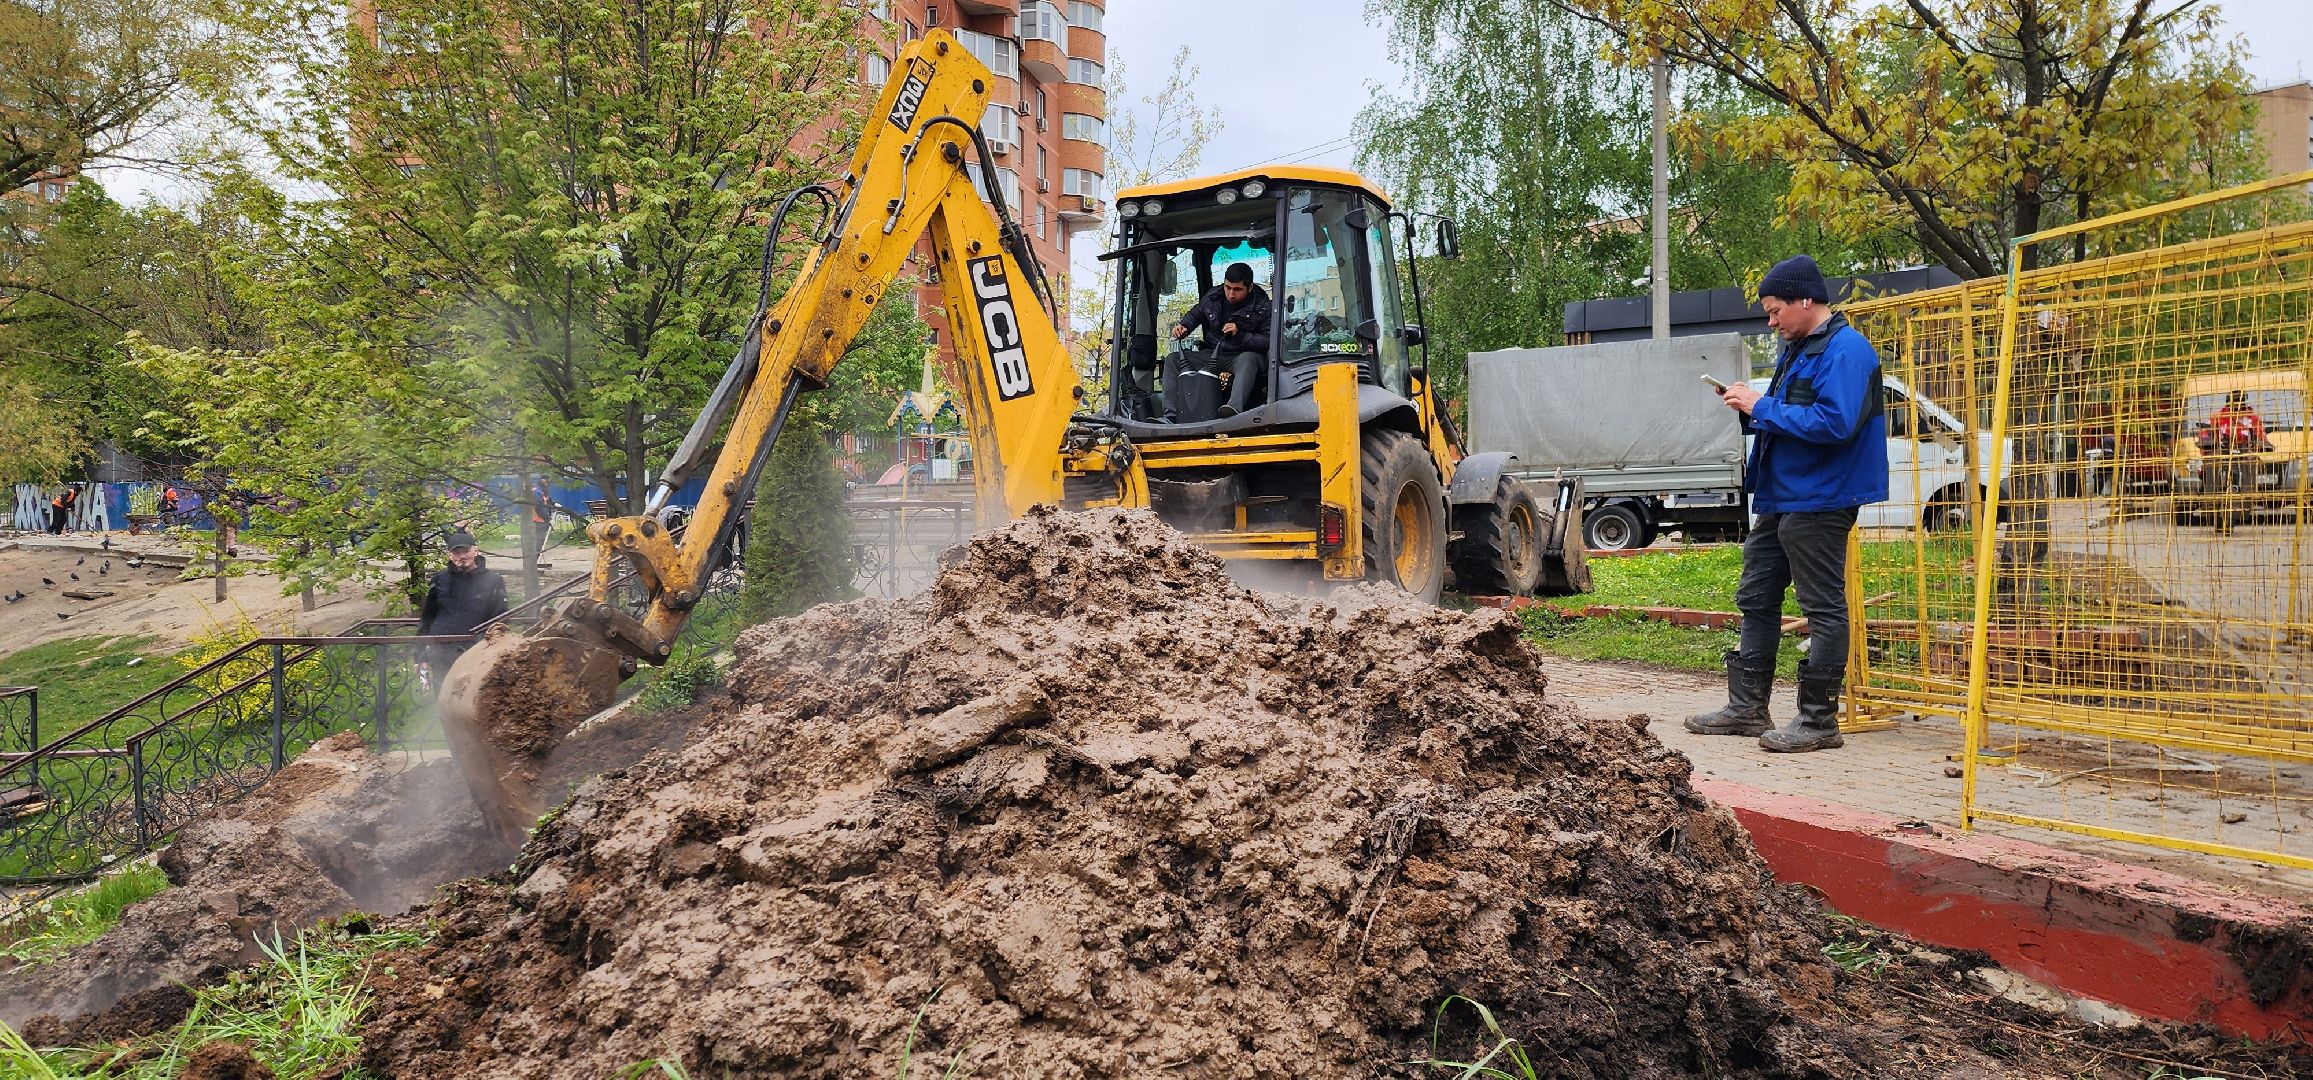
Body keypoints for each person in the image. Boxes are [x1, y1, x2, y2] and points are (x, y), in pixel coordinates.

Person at [1686, 255, 1888, 753]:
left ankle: (1819, 722)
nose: (1771, 322)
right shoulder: (1799, 348)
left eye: (1776, 311)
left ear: (1805, 300)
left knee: (1821, 606)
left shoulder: (1846, 351)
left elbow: (1835, 424)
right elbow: (1790, 416)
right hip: (1784, 495)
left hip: (1822, 497)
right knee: (1756, 594)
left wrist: (1763, 407)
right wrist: (1749, 409)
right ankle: (1747, 708)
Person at [1170, 262, 1272, 418]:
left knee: (1248, 359)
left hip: (1242, 356)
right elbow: (1196, 314)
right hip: (1214, 354)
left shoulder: (1263, 306)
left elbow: (1268, 340)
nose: (1231, 294)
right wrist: (1184, 327)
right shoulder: (1213, 297)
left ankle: (1233, 409)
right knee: (1173, 359)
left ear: (1250, 288)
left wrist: (1240, 334)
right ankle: (1170, 415)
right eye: (1227, 287)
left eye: (1237, 289)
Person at [416, 530, 509, 691]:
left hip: (476, 652)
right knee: (442, 699)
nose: (462, 556)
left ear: (476, 551)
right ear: (450, 555)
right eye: (456, 552)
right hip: (441, 651)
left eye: (466, 551)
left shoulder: (493, 580)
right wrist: (419, 655)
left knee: (472, 700)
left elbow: (500, 618)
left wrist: (495, 650)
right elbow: (427, 618)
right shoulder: (439, 579)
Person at [2201, 390, 2267, 535]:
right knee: (2211, 464)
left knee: (2252, 463)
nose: (2237, 405)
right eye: (2234, 402)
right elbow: (2206, 432)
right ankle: (2211, 503)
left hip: (2243, 453)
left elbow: (2261, 434)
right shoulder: (2218, 417)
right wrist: (2205, 442)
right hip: (2222, 452)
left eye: (2240, 402)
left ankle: (2246, 500)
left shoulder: (2252, 418)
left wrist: (2263, 443)